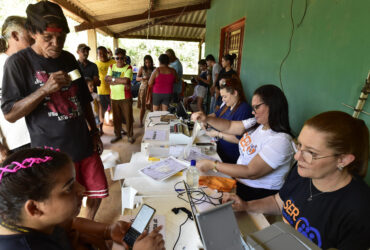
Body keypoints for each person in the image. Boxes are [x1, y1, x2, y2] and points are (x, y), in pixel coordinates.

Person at [1, 1, 108, 220]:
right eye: (48, 38)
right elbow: (10, 113)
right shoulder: (18, 63)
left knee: (95, 193)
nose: (56, 43)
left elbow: (83, 97)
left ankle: (88, 225)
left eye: (61, 37)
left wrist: (94, 131)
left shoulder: (68, 59)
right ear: (32, 33)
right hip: (52, 153)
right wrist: (44, 90)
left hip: (83, 143)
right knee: (64, 206)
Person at [223, 111, 370, 249]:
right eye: (299, 145)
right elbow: (278, 202)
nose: (297, 157)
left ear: (343, 160)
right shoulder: (303, 172)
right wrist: (246, 206)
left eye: (311, 152)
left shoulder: (359, 209)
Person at [0, 148, 165, 250]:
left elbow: (72, 223)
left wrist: (107, 230)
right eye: (69, 187)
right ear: (34, 209)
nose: (82, 189)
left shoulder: (32, 220)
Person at [192, 84, 295, 201]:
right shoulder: (257, 123)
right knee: (195, 184)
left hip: (255, 194)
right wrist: (206, 119)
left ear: (273, 106)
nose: (253, 112)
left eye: (257, 107)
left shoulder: (281, 140)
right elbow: (229, 126)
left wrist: (213, 165)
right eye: (253, 107)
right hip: (238, 183)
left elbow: (250, 172)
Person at [0, 16, 33, 162]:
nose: (34, 37)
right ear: (15, 35)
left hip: (41, 135)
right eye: (30, 33)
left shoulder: (31, 63)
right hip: (15, 143)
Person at [206, 77, 253, 163]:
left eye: (225, 96)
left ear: (235, 93)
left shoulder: (244, 109)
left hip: (230, 156)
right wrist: (205, 119)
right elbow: (215, 115)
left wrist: (217, 134)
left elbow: (238, 139)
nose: (223, 100)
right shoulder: (227, 105)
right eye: (222, 97)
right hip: (219, 149)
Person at [105, 48, 135, 144]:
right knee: (116, 118)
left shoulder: (128, 68)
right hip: (114, 97)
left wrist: (113, 80)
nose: (119, 60)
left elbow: (126, 81)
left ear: (125, 58)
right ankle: (117, 135)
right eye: (117, 58)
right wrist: (120, 80)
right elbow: (106, 79)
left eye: (121, 58)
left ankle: (130, 136)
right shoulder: (111, 66)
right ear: (115, 58)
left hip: (125, 97)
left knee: (128, 117)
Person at [96, 46, 116, 134]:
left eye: (104, 52)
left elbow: (118, 76)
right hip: (101, 91)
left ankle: (116, 127)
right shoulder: (95, 64)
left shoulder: (113, 62)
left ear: (107, 53)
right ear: (97, 54)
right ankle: (101, 129)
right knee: (102, 111)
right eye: (100, 53)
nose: (102, 55)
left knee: (114, 109)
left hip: (113, 91)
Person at [136, 55, 155, 127]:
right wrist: (142, 78)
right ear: (144, 62)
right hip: (143, 89)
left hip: (151, 89)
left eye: (149, 62)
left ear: (152, 62)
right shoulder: (142, 68)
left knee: (152, 107)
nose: (148, 64)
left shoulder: (154, 69)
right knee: (143, 107)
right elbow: (137, 78)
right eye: (146, 62)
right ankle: (141, 121)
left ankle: (152, 122)